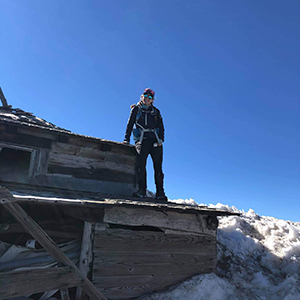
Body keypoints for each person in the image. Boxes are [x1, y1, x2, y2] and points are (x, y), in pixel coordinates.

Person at [123, 88, 167, 201]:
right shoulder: (136, 109)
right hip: (142, 140)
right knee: (141, 165)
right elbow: (130, 124)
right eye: (145, 96)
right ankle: (142, 191)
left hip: (155, 141)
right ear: (142, 96)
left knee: (158, 168)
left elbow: (161, 126)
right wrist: (126, 139)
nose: (147, 98)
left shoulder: (156, 111)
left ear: (153, 100)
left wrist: (161, 139)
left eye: (150, 97)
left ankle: (160, 193)